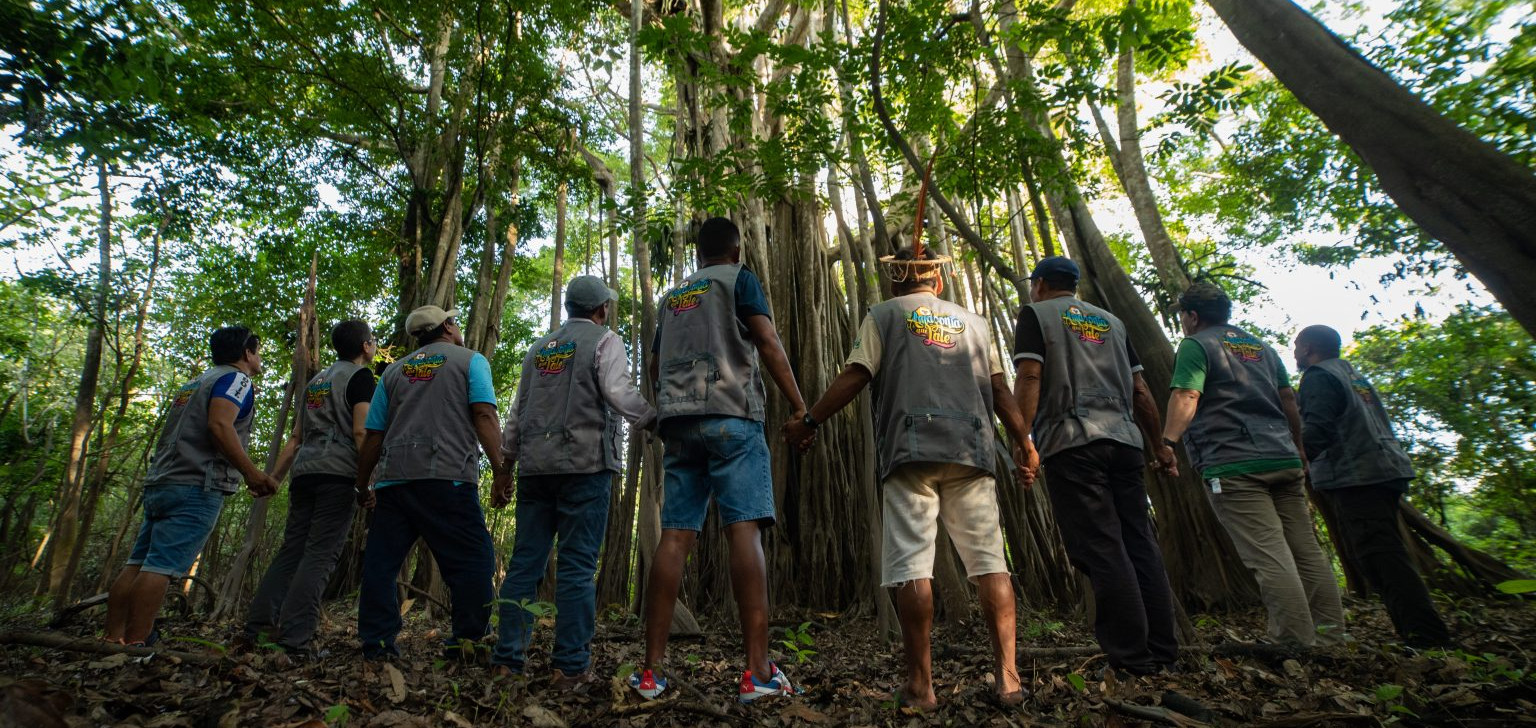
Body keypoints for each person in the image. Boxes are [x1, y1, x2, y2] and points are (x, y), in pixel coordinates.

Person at [783, 247, 1032, 710]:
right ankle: (1009, 680)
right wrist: (1026, 442)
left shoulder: (883, 315)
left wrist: (810, 422)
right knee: (990, 564)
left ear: (895, 282)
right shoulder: (975, 323)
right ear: (937, 281)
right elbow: (999, 388)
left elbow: (856, 374)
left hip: (910, 449)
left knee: (913, 567)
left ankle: (921, 686)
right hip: (971, 448)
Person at [630, 217, 807, 704]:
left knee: (674, 537)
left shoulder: (674, 296)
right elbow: (767, 342)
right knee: (743, 530)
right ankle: (757, 672)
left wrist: (669, 406)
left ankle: (651, 674)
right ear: (735, 249)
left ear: (698, 253)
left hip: (679, 424)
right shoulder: (740, 279)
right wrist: (799, 406)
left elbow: (652, 363)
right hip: (732, 417)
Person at [1012, 256, 1181, 676]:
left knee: (1102, 547)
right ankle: (1163, 651)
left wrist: (1023, 437)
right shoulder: (1112, 322)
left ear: (1039, 285)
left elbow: (1030, 377)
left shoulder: (1036, 314)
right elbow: (1141, 391)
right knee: (1139, 541)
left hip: (1072, 444)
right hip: (1125, 442)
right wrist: (1160, 446)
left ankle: (1130, 658)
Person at [490, 276, 656, 688]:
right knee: (578, 566)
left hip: (535, 469)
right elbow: (617, 390)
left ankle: (507, 660)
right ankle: (570, 665)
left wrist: (506, 464)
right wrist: (654, 419)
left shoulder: (539, 349)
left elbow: (518, 410)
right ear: (601, 310)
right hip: (586, 466)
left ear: (568, 309)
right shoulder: (605, 340)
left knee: (525, 564)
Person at [1161, 282, 1345, 647]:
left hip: (1234, 464)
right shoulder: (1261, 347)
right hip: (1283, 456)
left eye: (1183, 315)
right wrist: (1298, 446)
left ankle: (1293, 640)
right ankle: (1330, 635)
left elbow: (1187, 394)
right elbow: (1288, 399)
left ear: (1192, 317)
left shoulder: (1197, 345)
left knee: (1268, 553)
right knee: (1304, 549)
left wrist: (1168, 442)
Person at [104, 326, 279, 646]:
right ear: (246, 353)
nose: (259, 357)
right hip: (196, 485)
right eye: (257, 351)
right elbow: (219, 424)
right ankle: (136, 644)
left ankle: (112, 639)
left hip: (163, 481)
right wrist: (253, 474)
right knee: (159, 568)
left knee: (137, 563)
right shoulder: (236, 380)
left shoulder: (196, 382)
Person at [354, 306, 507, 661]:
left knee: (382, 563)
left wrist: (363, 486)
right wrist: (501, 468)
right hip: (448, 477)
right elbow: (484, 414)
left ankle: (376, 643)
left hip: (394, 481)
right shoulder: (471, 361)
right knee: (473, 559)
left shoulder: (393, 372)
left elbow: (374, 434)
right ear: (449, 327)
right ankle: (467, 639)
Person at [1293, 325, 1452, 648]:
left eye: (1297, 346)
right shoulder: (1352, 374)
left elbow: (1318, 430)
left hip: (1359, 476)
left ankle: (1427, 638)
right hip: (1385, 468)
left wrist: (1294, 459)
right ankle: (1415, 632)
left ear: (1309, 348)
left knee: (1382, 557)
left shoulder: (1319, 376)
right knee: (1382, 553)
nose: (1295, 353)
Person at [242, 320, 378, 657]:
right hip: (338, 473)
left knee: (292, 550)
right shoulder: (361, 378)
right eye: (372, 340)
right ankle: (295, 639)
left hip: (305, 473)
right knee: (320, 554)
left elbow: (296, 438)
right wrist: (367, 482)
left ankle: (257, 628)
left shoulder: (316, 382)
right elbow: (362, 432)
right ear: (364, 346)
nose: (373, 345)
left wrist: (274, 477)